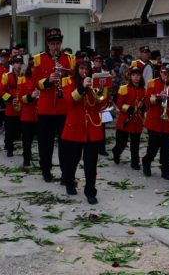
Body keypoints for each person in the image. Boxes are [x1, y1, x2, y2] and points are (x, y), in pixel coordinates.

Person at [60, 59, 110, 204]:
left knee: (91, 163)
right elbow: (69, 100)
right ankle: (69, 183)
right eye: (81, 68)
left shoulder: (95, 83)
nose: (84, 71)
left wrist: (103, 90)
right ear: (77, 70)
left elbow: (101, 105)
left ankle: (90, 191)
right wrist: (82, 87)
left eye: (87, 69)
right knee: (72, 161)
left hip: (92, 128)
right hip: (75, 127)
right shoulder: (68, 81)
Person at [33, 28, 75, 183]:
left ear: (61, 43)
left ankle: (66, 173)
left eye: (57, 43)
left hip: (63, 108)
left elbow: (74, 79)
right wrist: (48, 80)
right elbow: (35, 82)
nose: (55, 47)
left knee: (65, 143)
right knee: (45, 143)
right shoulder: (38, 59)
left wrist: (65, 75)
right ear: (48, 44)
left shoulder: (69, 59)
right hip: (46, 108)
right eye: (52, 44)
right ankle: (46, 170)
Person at [142, 63, 169, 179]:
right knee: (154, 146)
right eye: (164, 73)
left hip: (168, 120)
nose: (166, 76)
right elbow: (147, 100)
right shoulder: (152, 83)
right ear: (160, 73)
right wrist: (157, 97)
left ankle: (165, 169)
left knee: (166, 147)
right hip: (154, 120)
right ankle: (147, 161)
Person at [112, 63, 146, 170]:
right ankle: (116, 152)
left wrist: (143, 106)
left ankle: (135, 162)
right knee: (121, 144)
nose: (136, 77)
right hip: (125, 121)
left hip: (137, 121)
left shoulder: (143, 90)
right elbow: (119, 104)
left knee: (135, 144)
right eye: (134, 75)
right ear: (130, 76)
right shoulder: (124, 88)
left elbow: (145, 106)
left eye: (138, 75)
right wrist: (131, 108)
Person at [0, 55, 24, 157]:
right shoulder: (6, 76)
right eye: (16, 63)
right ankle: (9, 148)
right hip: (11, 107)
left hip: (23, 106)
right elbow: (1, 91)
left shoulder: (25, 76)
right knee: (9, 130)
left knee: (24, 130)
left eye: (20, 63)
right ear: (13, 65)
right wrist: (10, 99)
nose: (19, 65)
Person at [18, 64, 39, 166]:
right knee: (27, 140)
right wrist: (31, 96)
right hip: (28, 115)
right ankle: (26, 157)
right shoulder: (23, 80)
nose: (34, 70)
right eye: (33, 67)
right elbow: (20, 98)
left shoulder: (41, 80)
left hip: (40, 114)